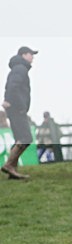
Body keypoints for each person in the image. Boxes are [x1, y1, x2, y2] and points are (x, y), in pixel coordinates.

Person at [2, 46, 38, 179]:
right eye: (31, 54)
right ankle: (9, 165)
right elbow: (13, 86)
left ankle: (12, 172)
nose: (32, 57)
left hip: (14, 108)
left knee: (19, 138)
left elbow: (11, 86)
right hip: (17, 108)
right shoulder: (20, 69)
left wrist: (8, 101)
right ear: (23, 55)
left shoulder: (17, 68)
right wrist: (19, 105)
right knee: (25, 138)